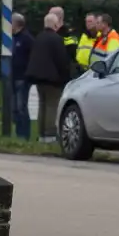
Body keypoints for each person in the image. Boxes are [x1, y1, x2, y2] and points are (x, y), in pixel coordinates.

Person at [27, 12, 72, 143]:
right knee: (52, 105)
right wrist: (65, 77)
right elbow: (61, 60)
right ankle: (50, 134)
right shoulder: (56, 39)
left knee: (42, 104)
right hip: (52, 78)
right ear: (55, 24)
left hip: (38, 77)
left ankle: (41, 133)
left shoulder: (39, 37)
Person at [10, 13, 35, 140]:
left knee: (21, 107)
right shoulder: (12, 38)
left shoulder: (27, 39)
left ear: (16, 24)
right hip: (13, 77)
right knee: (14, 108)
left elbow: (32, 58)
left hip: (22, 77)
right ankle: (18, 133)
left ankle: (25, 134)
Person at [49, 6, 82, 76]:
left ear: (58, 17)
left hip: (64, 74)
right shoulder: (49, 33)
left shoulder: (68, 34)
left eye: (50, 15)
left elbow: (73, 55)